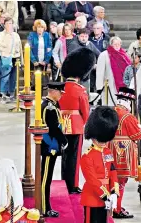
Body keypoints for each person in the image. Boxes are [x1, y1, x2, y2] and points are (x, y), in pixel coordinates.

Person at [80, 106, 118, 223]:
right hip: (92, 199)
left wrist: (115, 191)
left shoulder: (108, 151)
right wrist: (106, 195)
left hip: (106, 198)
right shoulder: (87, 156)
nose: (103, 142)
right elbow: (92, 181)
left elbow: (113, 172)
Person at [59, 47, 94, 194]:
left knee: (65, 157)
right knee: (74, 157)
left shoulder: (60, 88)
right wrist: (84, 123)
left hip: (62, 125)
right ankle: (72, 185)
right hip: (75, 126)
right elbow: (85, 112)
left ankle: (63, 181)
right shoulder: (80, 90)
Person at [109, 87, 141, 219]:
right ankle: (116, 208)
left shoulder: (110, 112)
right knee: (120, 182)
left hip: (109, 148)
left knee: (111, 180)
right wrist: (139, 127)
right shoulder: (127, 117)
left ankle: (113, 205)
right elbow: (138, 135)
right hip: (123, 152)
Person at [39, 82, 67, 217]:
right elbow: (54, 128)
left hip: (53, 145)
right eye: (60, 92)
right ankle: (44, 208)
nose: (61, 95)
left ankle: (46, 206)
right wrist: (64, 140)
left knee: (47, 177)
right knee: (45, 178)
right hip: (50, 145)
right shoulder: (49, 107)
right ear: (53, 91)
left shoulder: (53, 105)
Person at [96, 36, 130, 106]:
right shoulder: (104, 55)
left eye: (119, 44)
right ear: (111, 45)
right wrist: (99, 87)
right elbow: (100, 72)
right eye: (115, 44)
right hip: (109, 85)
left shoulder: (124, 54)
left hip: (123, 85)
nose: (117, 46)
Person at [0, 17, 21, 102]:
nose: (9, 25)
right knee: (5, 77)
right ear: (4, 25)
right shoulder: (1, 34)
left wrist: (20, 58)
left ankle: (11, 94)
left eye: (11, 23)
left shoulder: (16, 35)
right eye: (8, 23)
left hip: (15, 57)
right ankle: (3, 94)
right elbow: (3, 45)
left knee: (13, 77)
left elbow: (19, 46)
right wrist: (8, 35)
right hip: (6, 57)